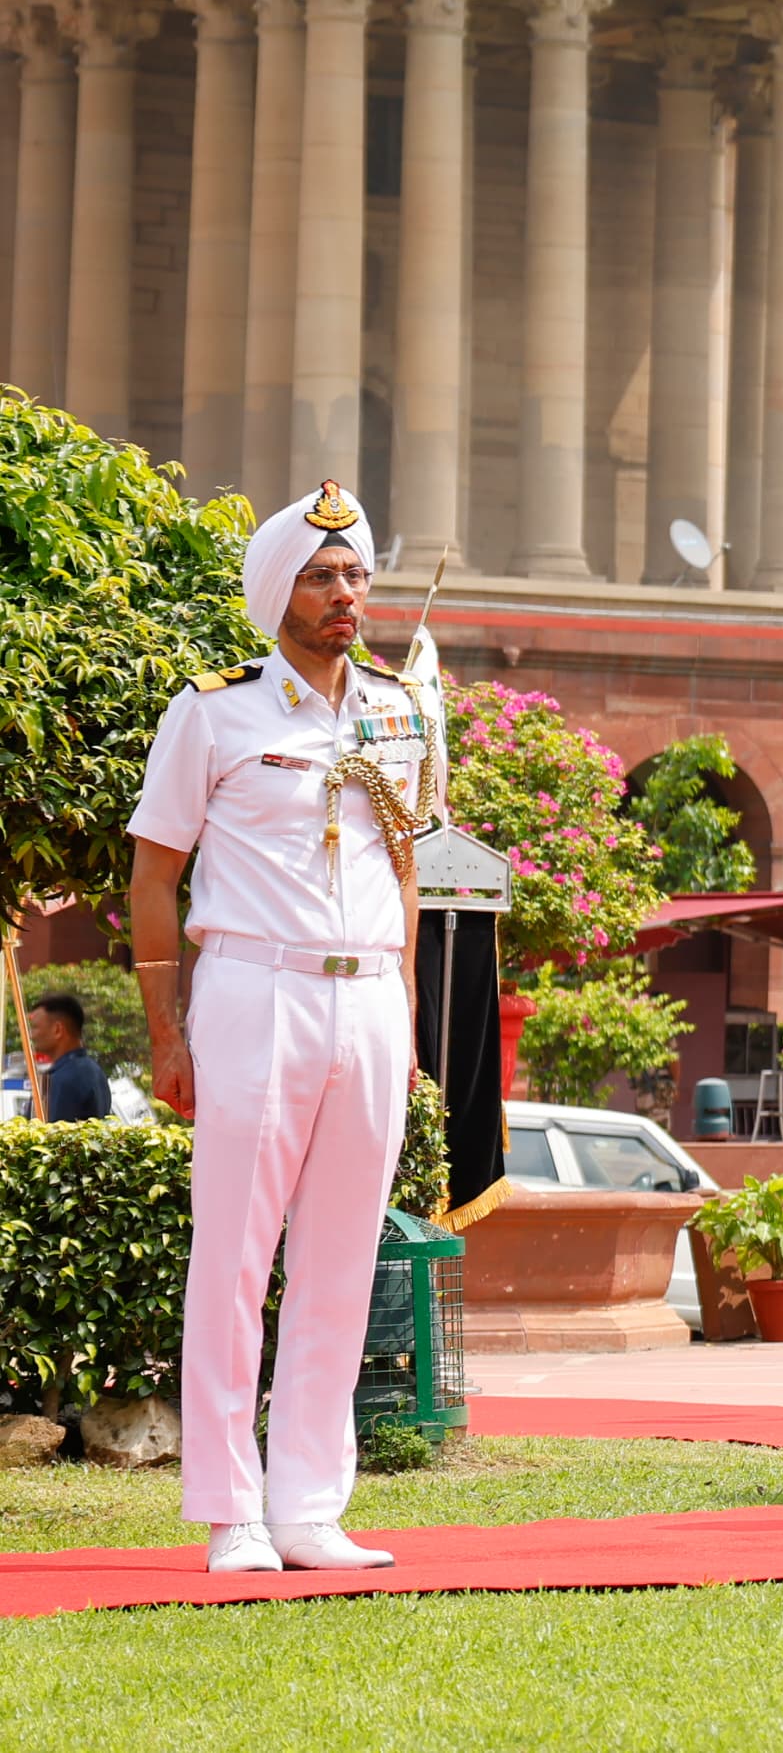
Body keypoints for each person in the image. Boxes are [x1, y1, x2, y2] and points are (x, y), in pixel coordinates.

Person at [128, 480, 432, 1575]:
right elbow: (154, 875)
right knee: (234, 1253)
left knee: (343, 1260)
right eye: (322, 577)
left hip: (369, 997)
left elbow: (409, 864)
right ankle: (232, 1510)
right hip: (256, 990)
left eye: (356, 575)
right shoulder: (213, 713)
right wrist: (167, 1031)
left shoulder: (405, 710)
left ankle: (309, 1503)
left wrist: (408, 1010)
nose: (346, 594)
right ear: (276, 594)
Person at [23, 991, 111, 1122]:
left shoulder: (62, 1079)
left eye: (35, 1028)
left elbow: (49, 1137)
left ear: (57, 1030)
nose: (31, 1035)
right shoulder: (94, 1071)